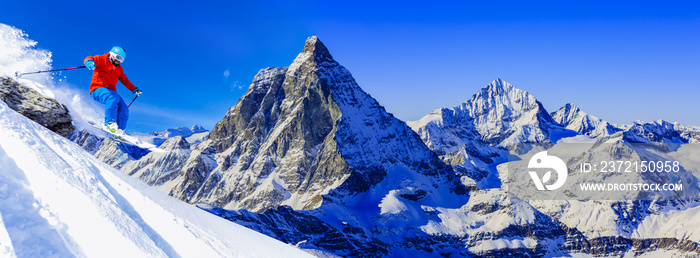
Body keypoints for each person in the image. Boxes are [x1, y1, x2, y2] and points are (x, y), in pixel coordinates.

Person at [84, 46, 142, 135]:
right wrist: (89, 62)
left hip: (111, 93)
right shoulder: (102, 59)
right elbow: (90, 58)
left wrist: (134, 89)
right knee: (113, 97)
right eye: (118, 58)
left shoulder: (119, 69)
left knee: (124, 108)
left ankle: (119, 130)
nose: (119, 61)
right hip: (97, 89)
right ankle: (109, 124)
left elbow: (125, 80)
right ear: (112, 54)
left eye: (122, 59)